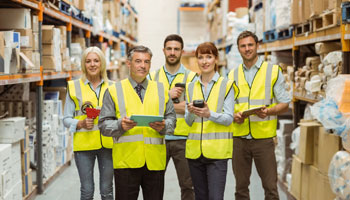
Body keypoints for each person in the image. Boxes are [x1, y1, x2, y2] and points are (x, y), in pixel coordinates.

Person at [98, 45, 177, 200]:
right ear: (129, 63)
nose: (143, 65)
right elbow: (103, 125)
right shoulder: (115, 90)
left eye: (146, 62)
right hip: (126, 162)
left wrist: (163, 126)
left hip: (155, 162)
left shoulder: (161, 90)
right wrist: (120, 125)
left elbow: (172, 121)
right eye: (138, 61)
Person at [228, 31, 291, 200]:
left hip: (263, 139)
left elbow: (285, 103)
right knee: (241, 188)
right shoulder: (232, 75)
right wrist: (235, 115)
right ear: (238, 49)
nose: (247, 49)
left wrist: (268, 111)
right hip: (239, 138)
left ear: (257, 46)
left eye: (250, 45)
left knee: (270, 187)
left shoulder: (273, 71)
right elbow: (228, 106)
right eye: (243, 46)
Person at [185, 42, 236, 200]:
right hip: (195, 154)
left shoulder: (226, 85)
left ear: (216, 59)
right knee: (200, 197)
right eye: (200, 57)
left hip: (217, 154)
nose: (205, 61)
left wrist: (209, 114)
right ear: (196, 60)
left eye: (209, 56)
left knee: (215, 197)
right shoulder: (191, 86)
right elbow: (188, 121)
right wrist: (192, 112)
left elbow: (228, 119)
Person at [148, 34, 196, 200]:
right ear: (163, 50)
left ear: (182, 51)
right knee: (154, 184)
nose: (172, 52)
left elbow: (192, 109)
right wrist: (169, 99)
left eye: (176, 49)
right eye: (169, 49)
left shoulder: (192, 78)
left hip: (183, 138)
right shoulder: (152, 77)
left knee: (188, 186)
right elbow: (147, 107)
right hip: (158, 137)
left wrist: (160, 103)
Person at [63, 46, 114, 200]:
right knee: (87, 191)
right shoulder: (73, 87)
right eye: (88, 61)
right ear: (83, 64)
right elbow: (65, 119)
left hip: (108, 145)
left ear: (102, 63)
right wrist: (81, 124)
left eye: (96, 60)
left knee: (107, 190)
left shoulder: (112, 87)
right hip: (84, 146)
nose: (92, 64)